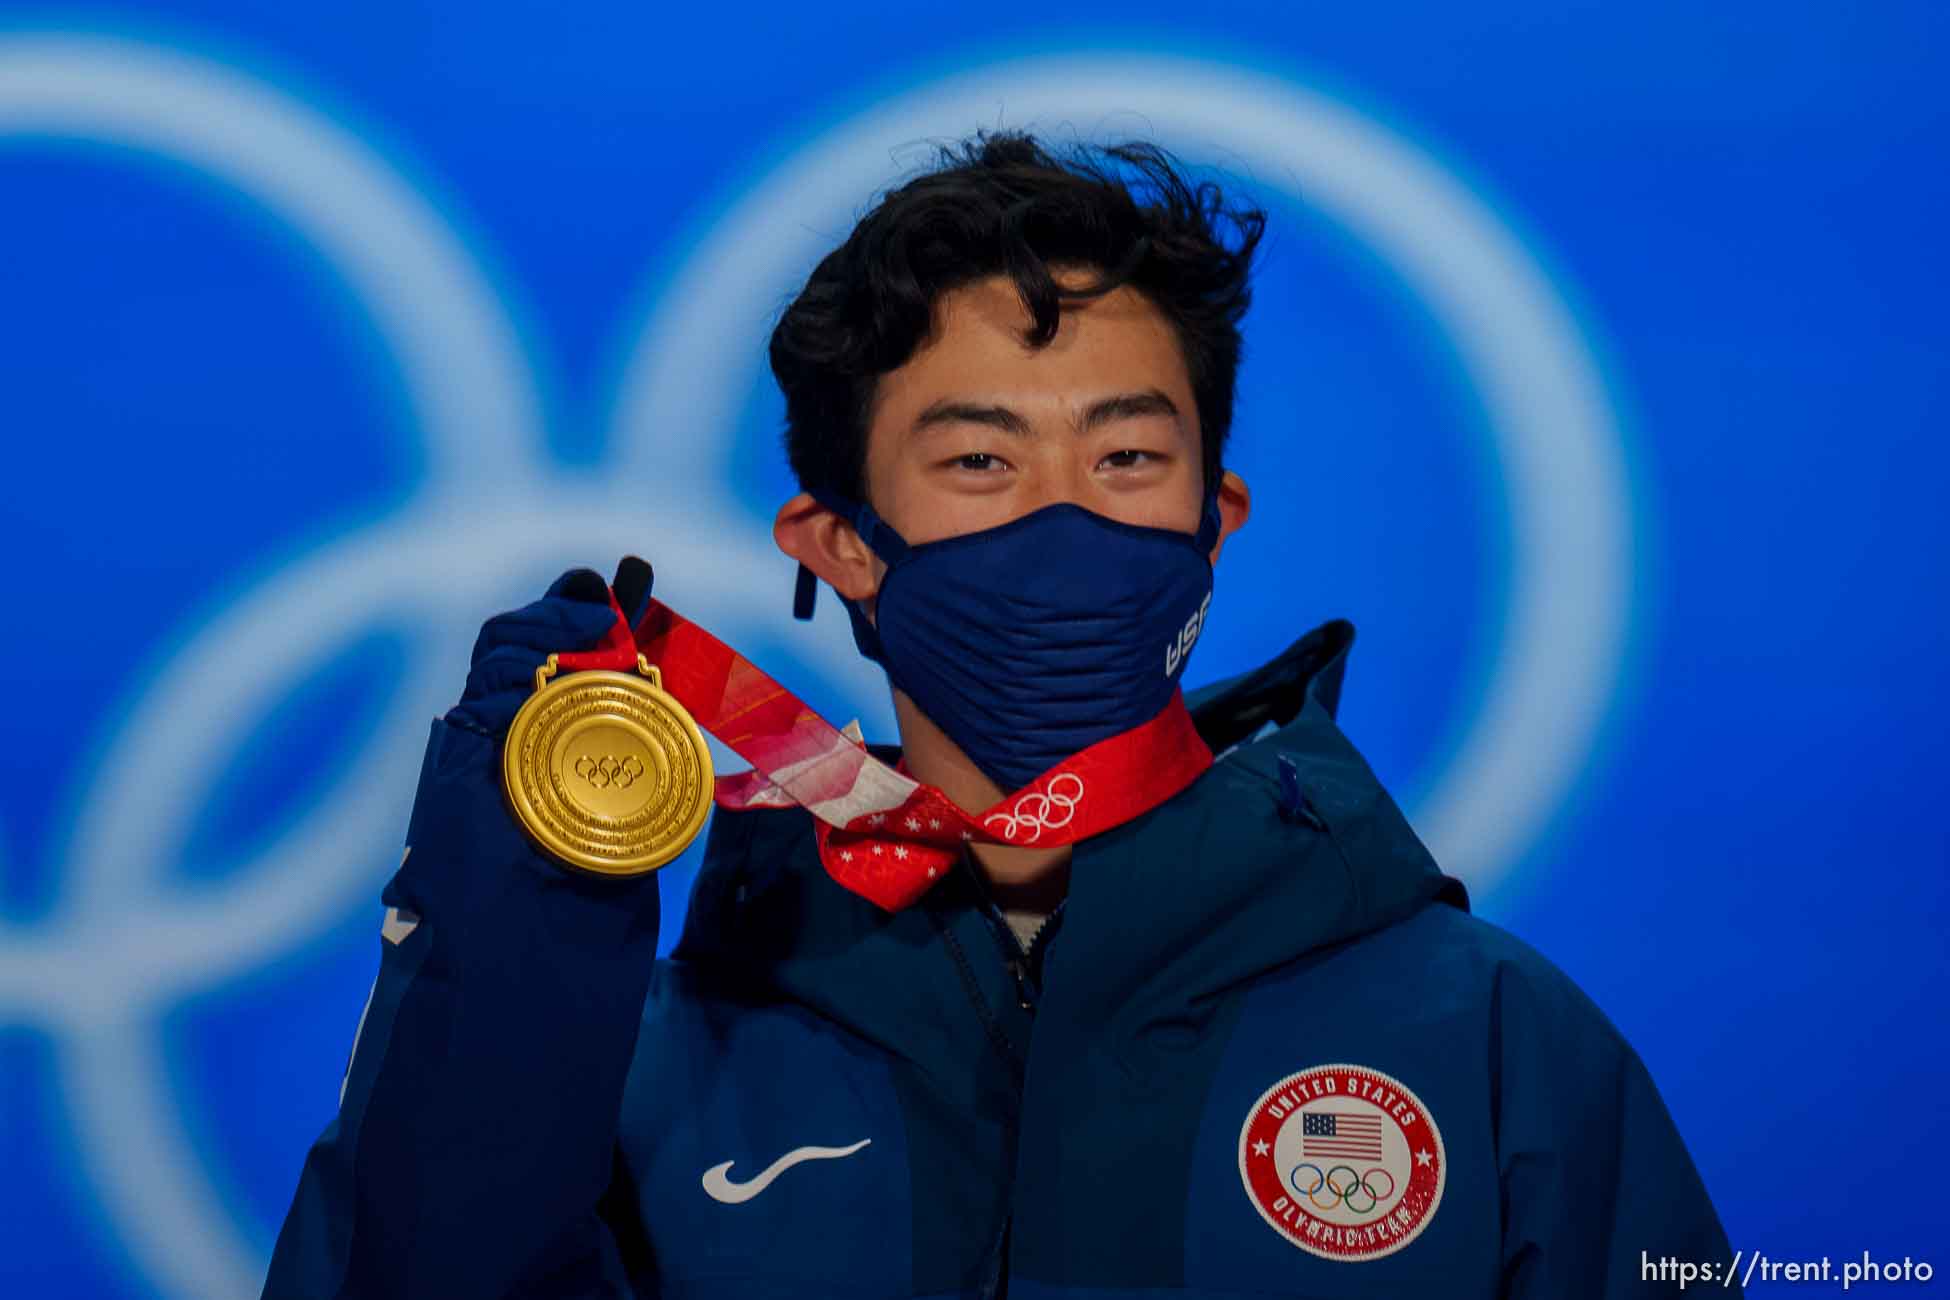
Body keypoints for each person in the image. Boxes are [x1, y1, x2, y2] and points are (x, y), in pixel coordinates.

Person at [263, 131, 1735, 1298]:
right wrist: (505, 926)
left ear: (1212, 521)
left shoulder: (1483, 1036)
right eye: (978, 462)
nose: (1062, 521)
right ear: (838, 546)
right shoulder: (646, 1052)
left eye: (1124, 459)